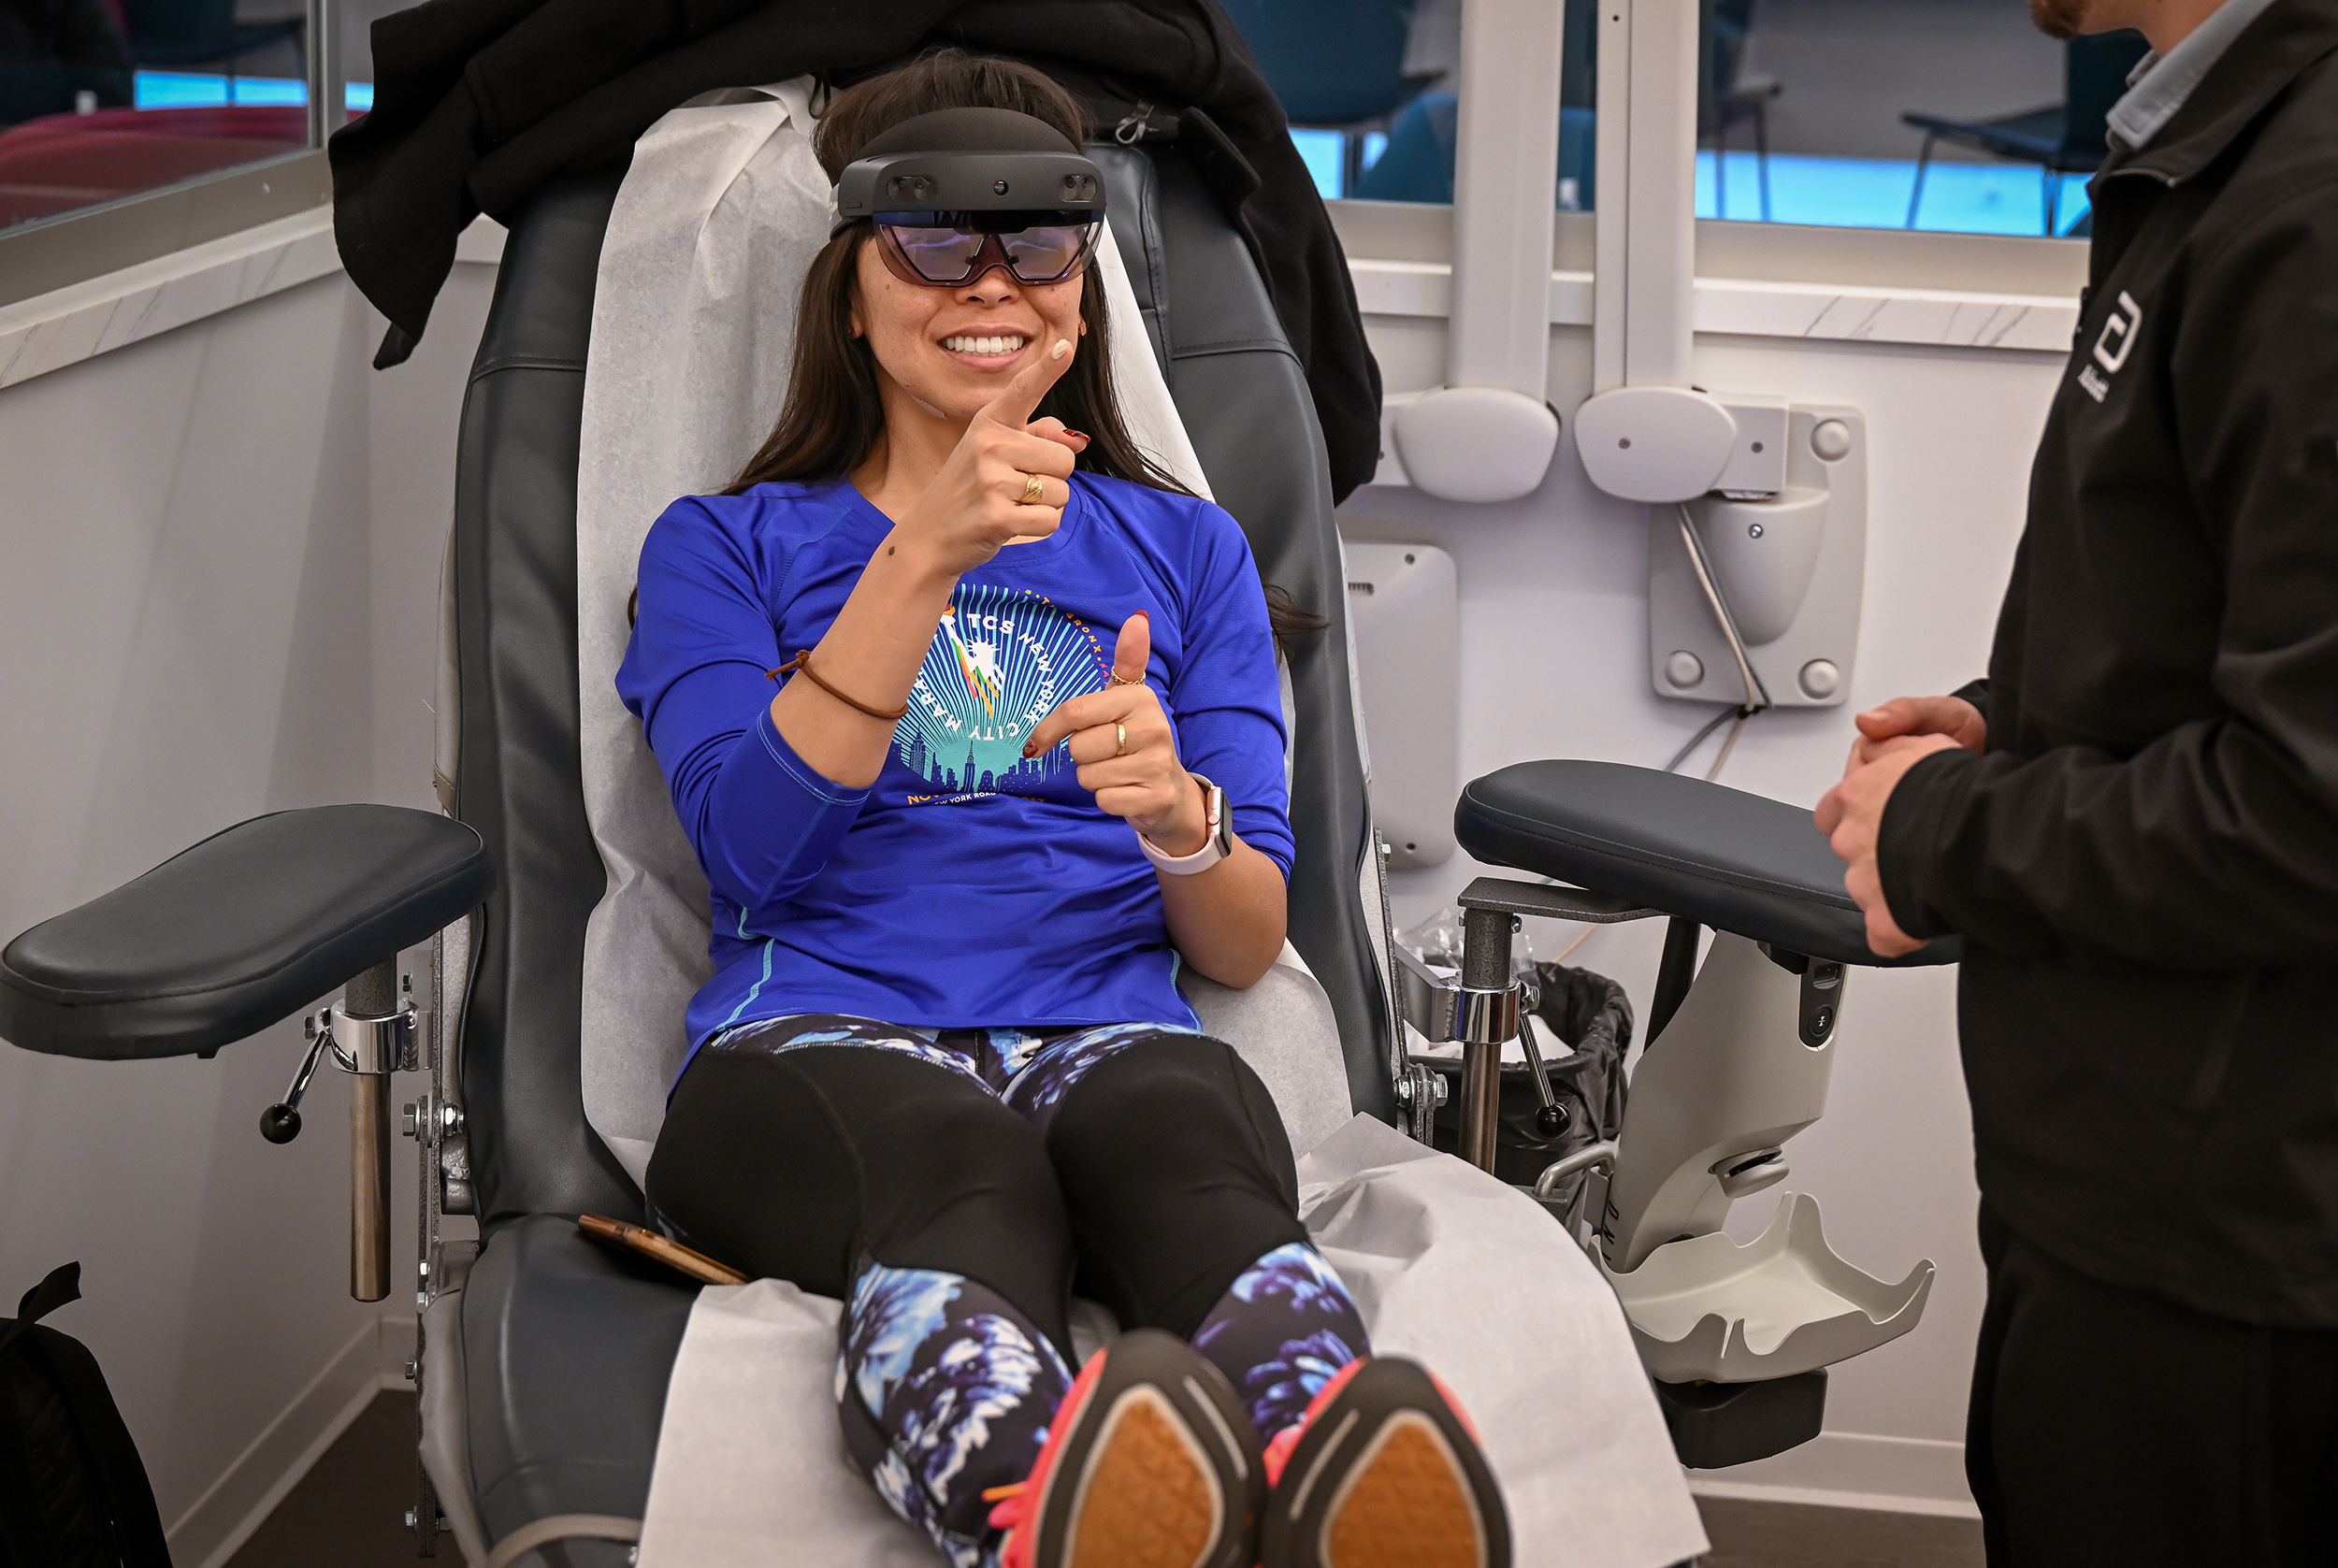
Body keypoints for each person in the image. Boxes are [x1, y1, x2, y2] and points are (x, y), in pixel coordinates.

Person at [618, 50, 1508, 1568]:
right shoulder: (725, 547)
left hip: (1109, 1029)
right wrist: (920, 559)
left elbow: (1239, 946)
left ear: (1083, 294)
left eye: (1038, 243)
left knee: (1186, 1145)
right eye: (936, 239)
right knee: (956, 1170)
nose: (993, 281)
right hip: (814, 1042)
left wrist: (1177, 813)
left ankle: (1344, 1486)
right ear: (849, 289)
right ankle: (1055, 1517)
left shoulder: (1189, 551)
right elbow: (749, 852)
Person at [1816, 0, 2338, 1561]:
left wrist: (1944, 834)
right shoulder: (2215, 152)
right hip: (2138, 1190)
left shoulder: (2308, 213)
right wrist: (2011, 719)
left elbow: (2312, 812)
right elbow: (2216, 624)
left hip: (2233, 1251)